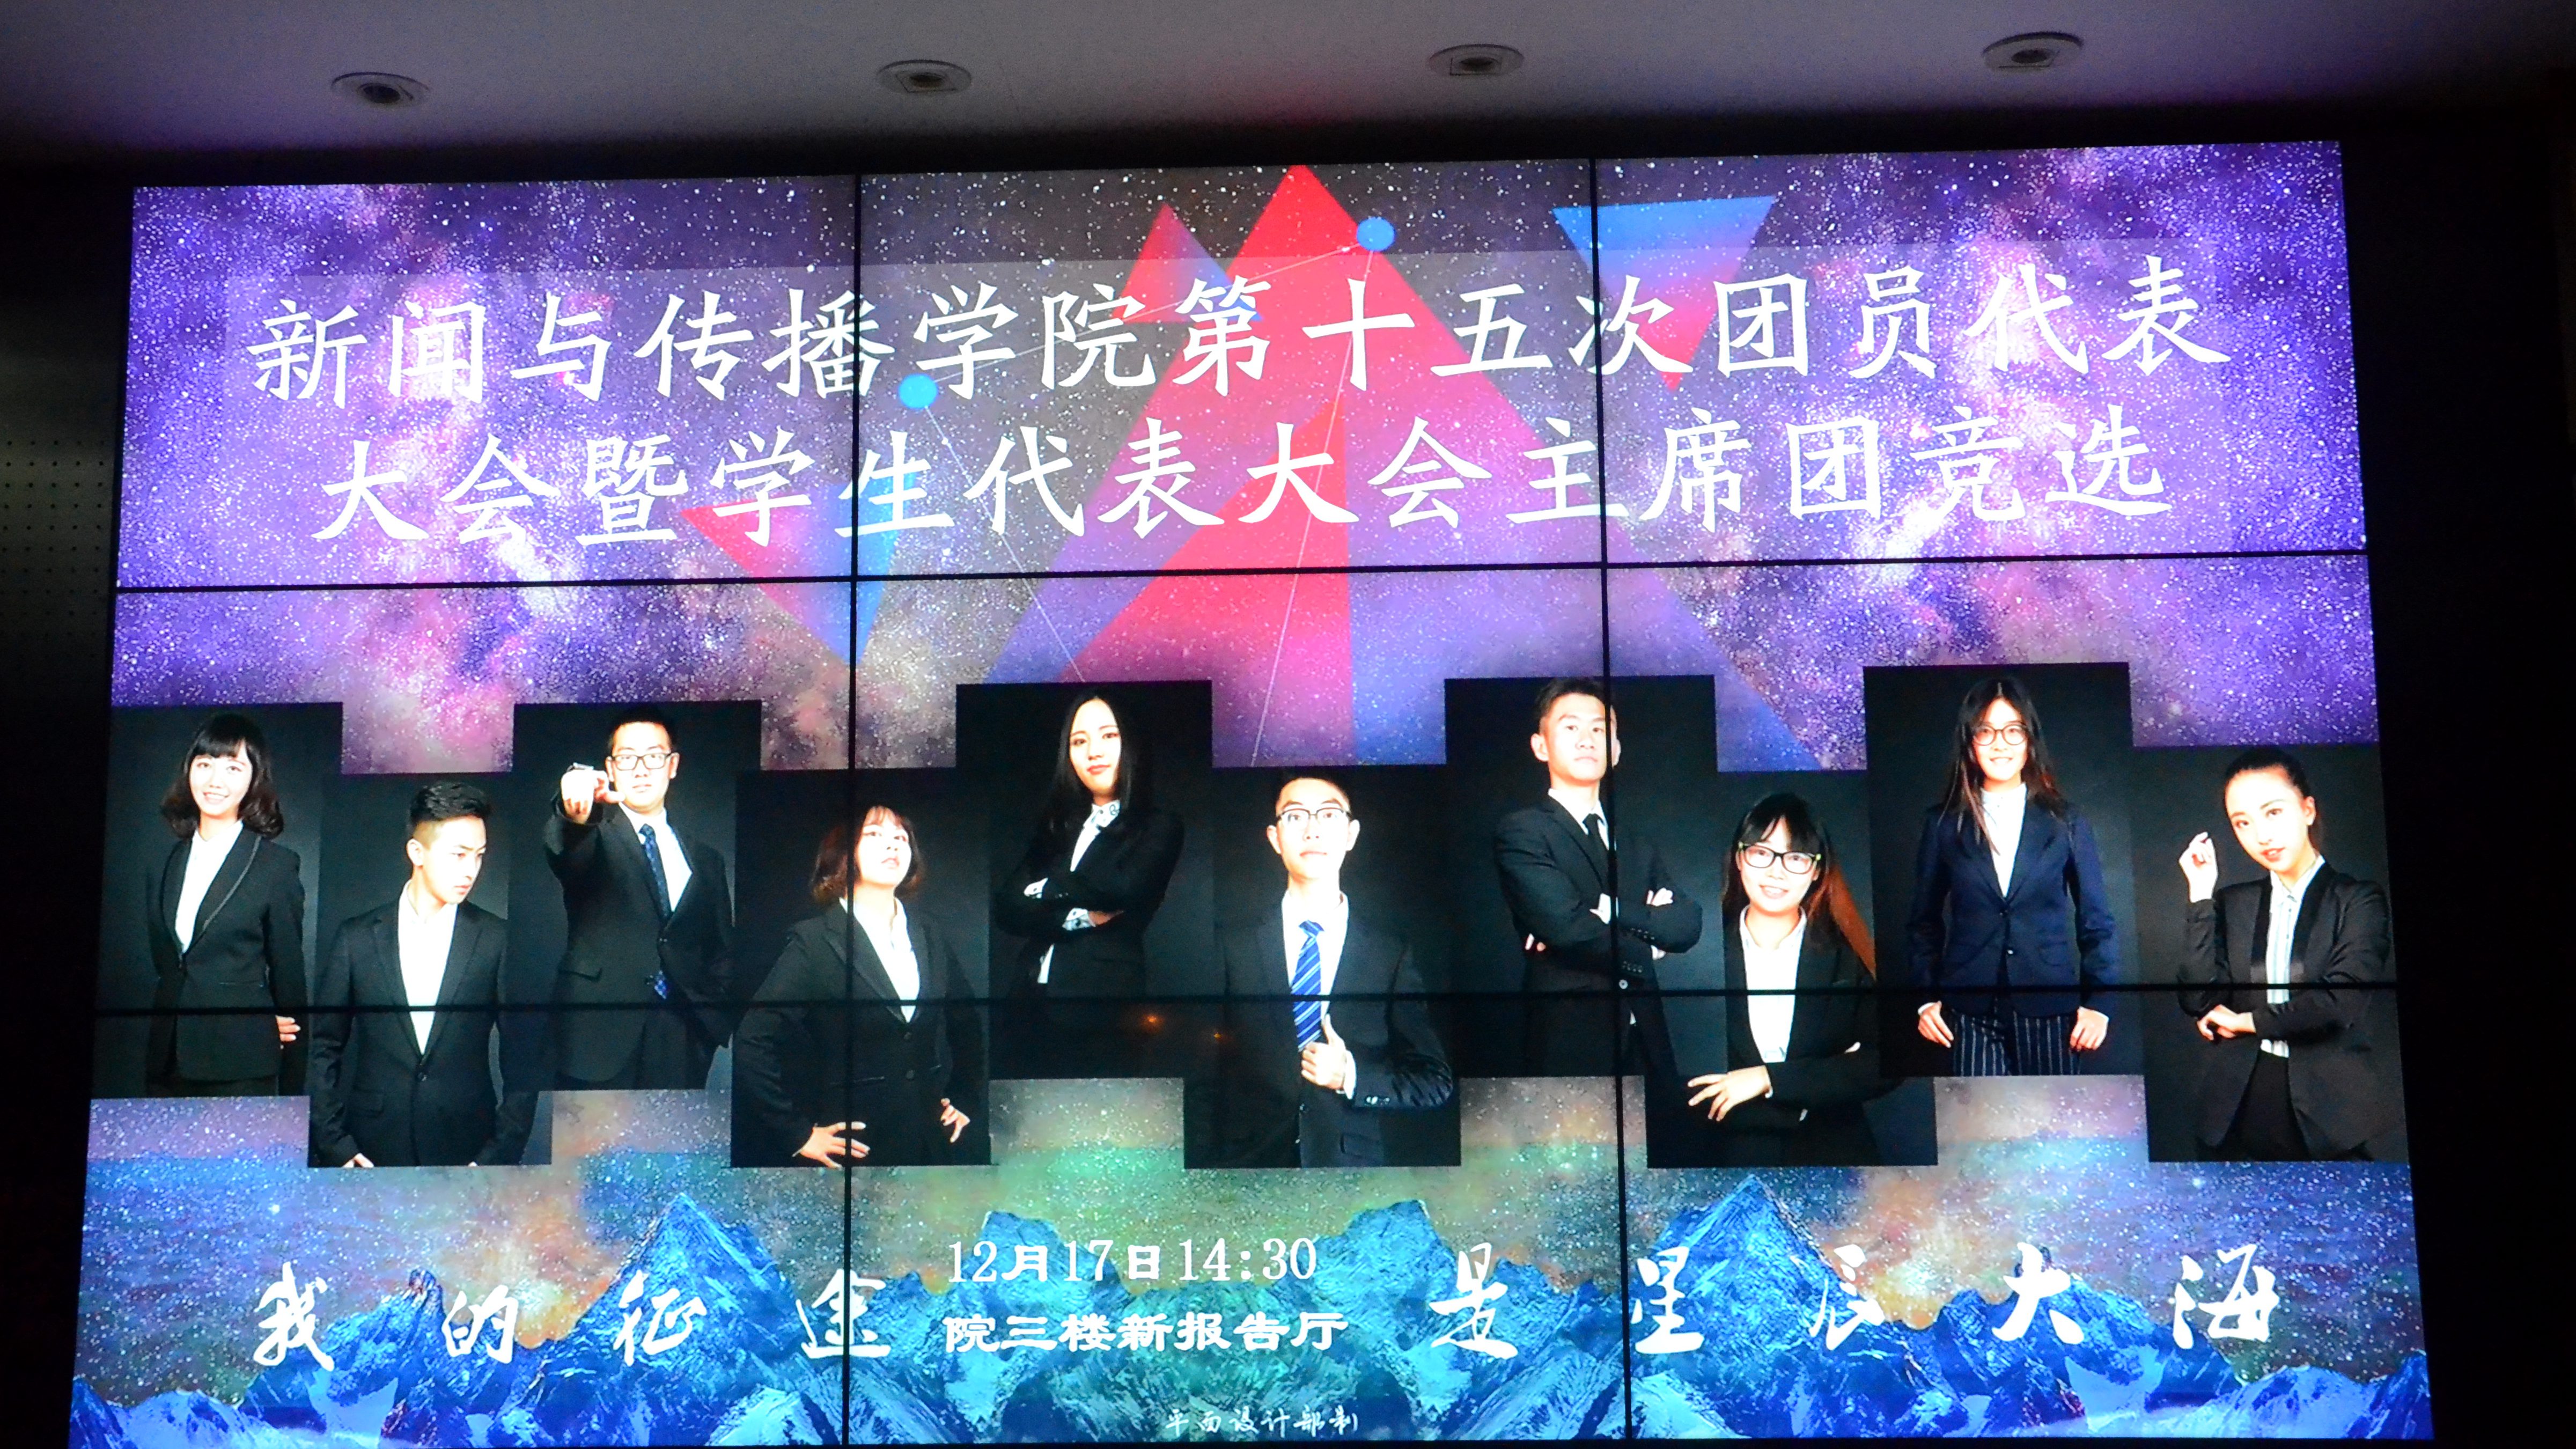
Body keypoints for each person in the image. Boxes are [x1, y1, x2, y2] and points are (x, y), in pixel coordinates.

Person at [1210, 775, 1453, 1168]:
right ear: (1274, 838)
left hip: (1349, 1171)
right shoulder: (1231, 946)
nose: (1312, 830)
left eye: (1328, 815)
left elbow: (1434, 1082)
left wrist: (1350, 1076)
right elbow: (1202, 1072)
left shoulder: (1389, 954)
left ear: (1351, 834)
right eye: (1295, 816)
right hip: (1246, 1168)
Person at [2175, 747, 2397, 1161]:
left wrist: (2245, 1021)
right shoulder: (2234, 903)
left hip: (2326, 1111)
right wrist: (2201, 894)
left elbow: (2338, 1003)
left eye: (2273, 812)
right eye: (2242, 822)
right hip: (2236, 1104)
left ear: (2308, 810)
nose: (2261, 835)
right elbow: (2198, 999)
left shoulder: (2358, 900)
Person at [735, 806, 982, 1168]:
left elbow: (968, 1022)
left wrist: (966, 1096)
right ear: (844, 853)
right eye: (875, 835)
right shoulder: (814, 940)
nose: (892, 845)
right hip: (856, 1145)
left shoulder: (929, 933)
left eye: (901, 838)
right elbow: (753, 1039)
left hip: (930, 1140)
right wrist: (796, 1133)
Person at [307, 782, 535, 1167]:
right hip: (371, 1147)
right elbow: (322, 1048)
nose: (470, 871)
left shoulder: (497, 939)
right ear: (417, 852)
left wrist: (496, 1157)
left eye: (479, 856)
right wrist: (335, 1144)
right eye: (458, 855)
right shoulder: (356, 938)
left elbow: (524, 1060)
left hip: (467, 1148)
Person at [1652, 794, 1884, 1167]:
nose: (1777, 872)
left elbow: (1885, 1063)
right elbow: (1677, 1078)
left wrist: (1769, 1078)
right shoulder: (1697, 951)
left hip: (1833, 1157)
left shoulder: (1847, 957)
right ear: (1740, 859)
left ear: (1816, 870)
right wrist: (1825, 1077)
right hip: (1721, 1158)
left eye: (1796, 858)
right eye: (1762, 853)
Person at [1906, 678, 2117, 1076]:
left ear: (2029, 740)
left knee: (2051, 1113)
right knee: (1980, 1114)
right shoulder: (1943, 823)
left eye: (2013, 730)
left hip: (2050, 1005)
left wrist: (2100, 1004)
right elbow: (1923, 922)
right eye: (1985, 731)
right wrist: (1925, 999)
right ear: (1969, 742)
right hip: (1968, 1010)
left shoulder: (2066, 822)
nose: (1999, 744)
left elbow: (2097, 921)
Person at [1493, 679, 1702, 1075]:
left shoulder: (1636, 842)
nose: (1587, 740)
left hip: (1647, 1038)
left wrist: (1608, 910)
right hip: (1569, 1040)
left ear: (1616, 750)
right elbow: (1568, 929)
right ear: (1541, 746)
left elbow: (1686, 924)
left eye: (1600, 729)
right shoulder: (1524, 831)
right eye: (1571, 727)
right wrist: (1650, 944)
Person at [992, 693, 1184, 1071]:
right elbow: (1007, 908)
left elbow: (1123, 891)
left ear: (1131, 744)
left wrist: (1047, 889)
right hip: (1026, 1002)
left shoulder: (1157, 825)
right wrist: (1075, 915)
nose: (1094, 751)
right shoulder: (1057, 826)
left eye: (1109, 736)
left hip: (1101, 1009)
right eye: (1079, 741)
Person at [546, 707, 734, 1090]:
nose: (642, 769)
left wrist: (709, 1025)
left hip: (681, 1037)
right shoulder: (593, 835)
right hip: (597, 1034)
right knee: (590, 1132)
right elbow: (568, 853)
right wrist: (576, 812)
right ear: (611, 769)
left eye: (654, 756)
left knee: (676, 1133)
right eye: (628, 758)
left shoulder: (706, 859)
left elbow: (721, 948)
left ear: (673, 765)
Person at [145, 713, 307, 1096]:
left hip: (240, 1062)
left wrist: (293, 1080)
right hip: (166, 1059)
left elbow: (289, 977)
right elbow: (169, 965)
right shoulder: (164, 862)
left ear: (254, 780)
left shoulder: (276, 866)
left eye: (233, 768)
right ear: (189, 771)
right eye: (205, 764)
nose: (215, 781)